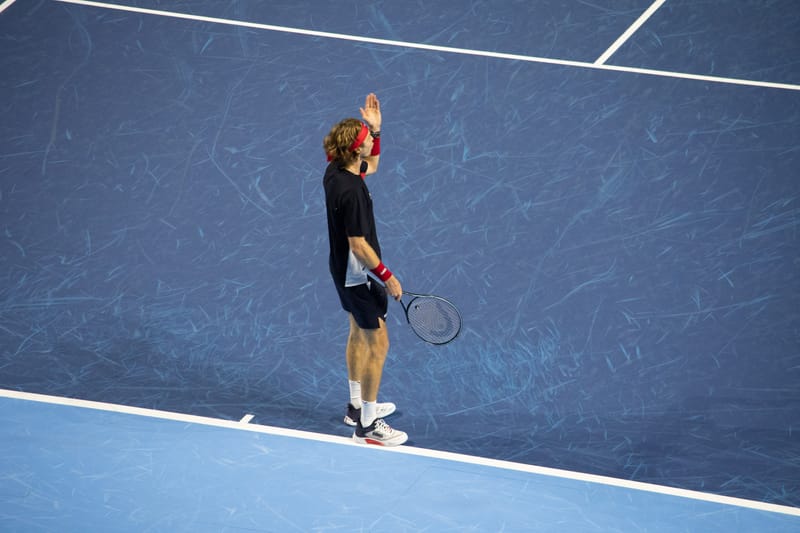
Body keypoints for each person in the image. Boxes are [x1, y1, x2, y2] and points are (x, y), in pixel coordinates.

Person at [322, 93, 408, 446]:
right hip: (358, 272)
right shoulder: (354, 193)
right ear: (354, 149)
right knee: (378, 341)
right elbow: (359, 244)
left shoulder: (334, 172)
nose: (371, 141)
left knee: (358, 332)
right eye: (367, 139)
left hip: (341, 268)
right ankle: (368, 426)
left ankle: (356, 406)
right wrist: (388, 276)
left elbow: (369, 165)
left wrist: (376, 129)